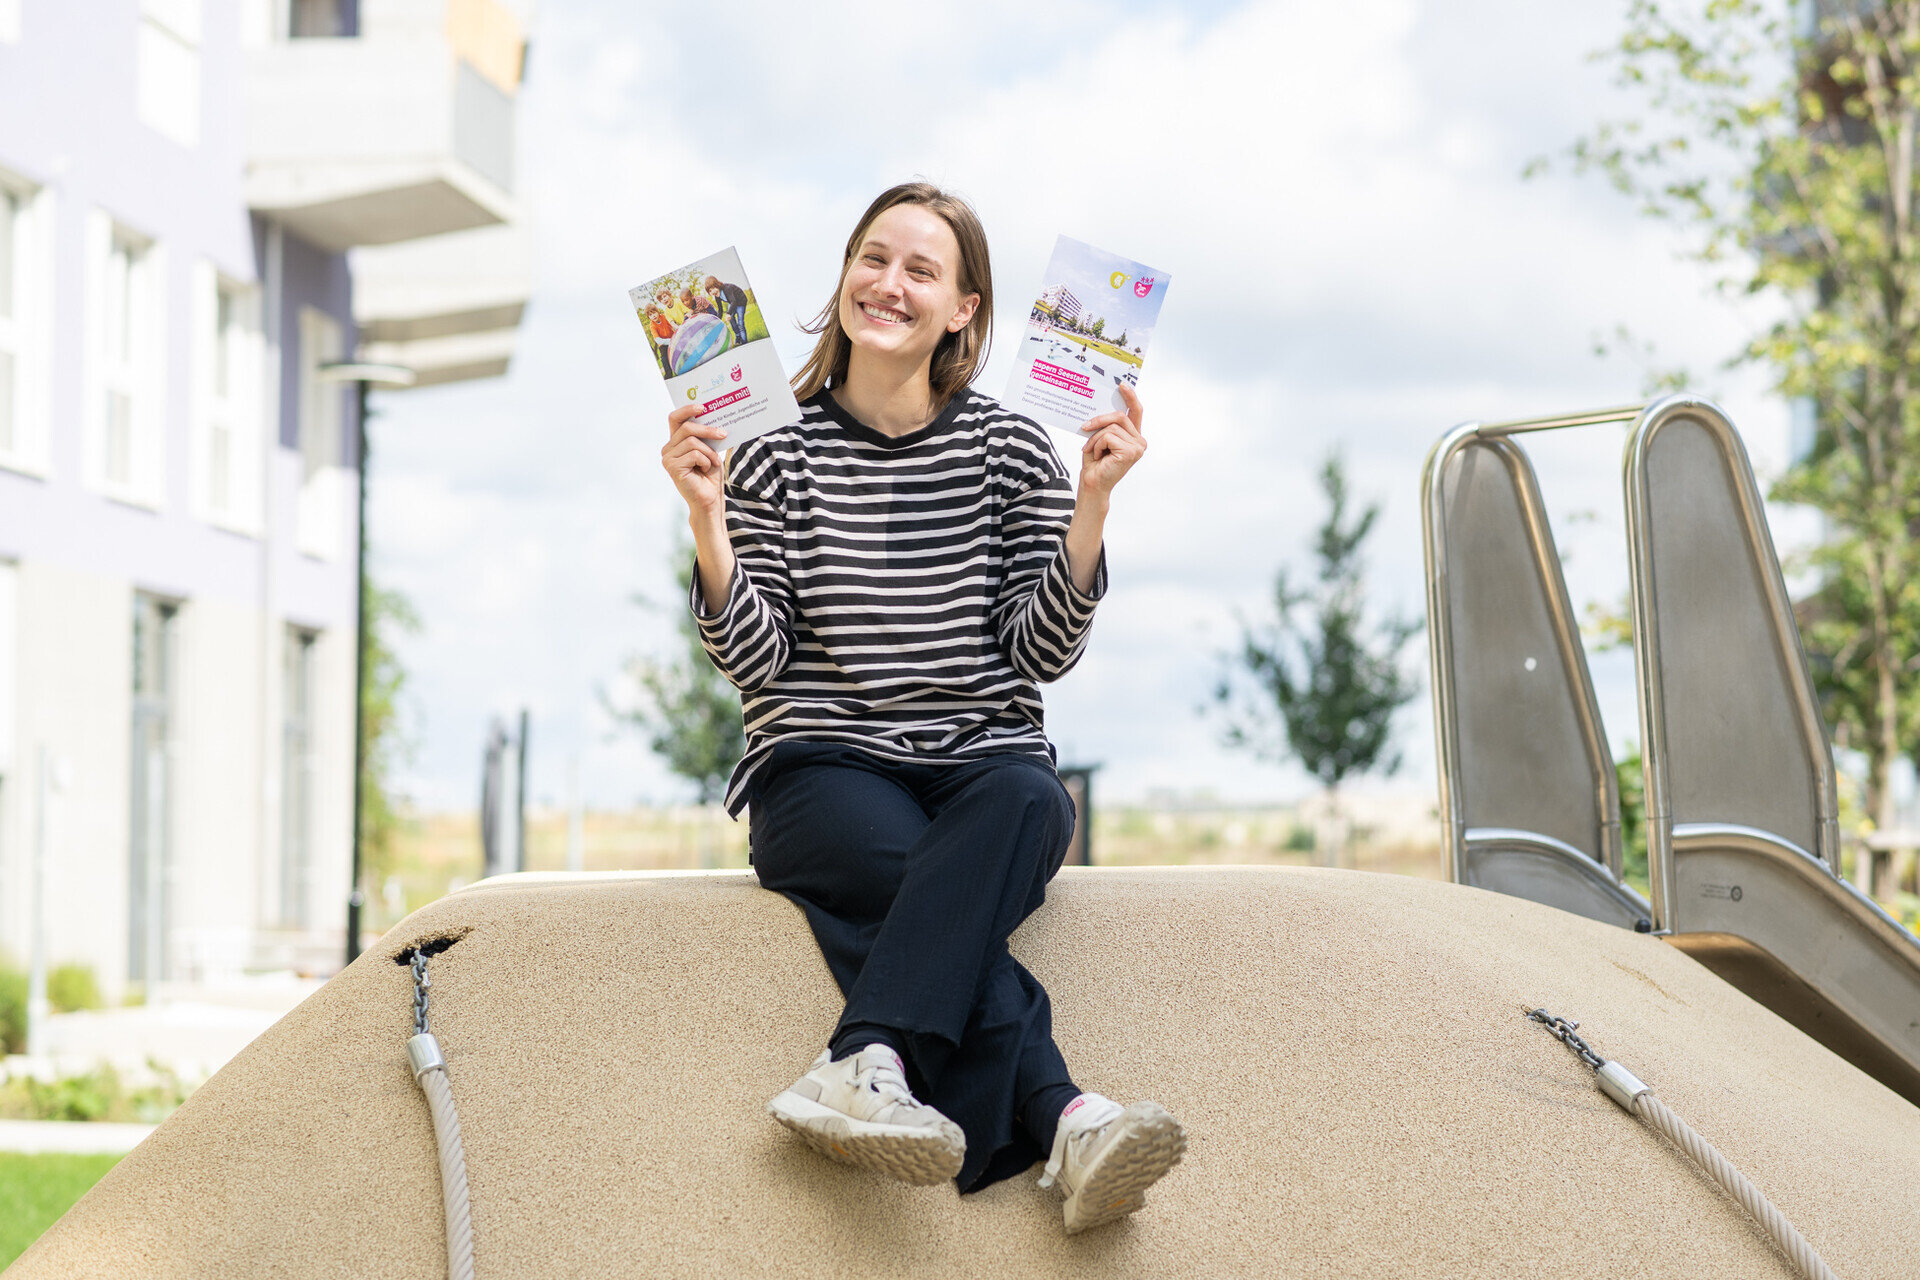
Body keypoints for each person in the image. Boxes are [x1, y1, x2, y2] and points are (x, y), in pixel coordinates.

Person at [657, 182, 1183, 1235]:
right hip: (823, 767)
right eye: (873, 258)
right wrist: (709, 525)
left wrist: (1092, 506)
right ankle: (1063, 1112)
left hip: (981, 762)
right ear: (844, 277)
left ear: (964, 311)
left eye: (921, 270)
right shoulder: (767, 448)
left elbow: (1043, 648)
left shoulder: (1014, 451)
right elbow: (756, 663)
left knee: (1035, 801)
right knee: (905, 860)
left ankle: (865, 1058)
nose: (888, 284)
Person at [705, 273, 753, 345]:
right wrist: (717, 320)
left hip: (740, 301)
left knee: (740, 324)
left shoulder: (727, 288)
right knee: (731, 319)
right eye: (710, 291)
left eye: (712, 289)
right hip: (732, 302)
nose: (712, 292)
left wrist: (728, 313)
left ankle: (744, 343)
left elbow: (733, 301)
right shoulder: (717, 296)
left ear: (716, 285)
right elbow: (720, 310)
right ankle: (738, 336)